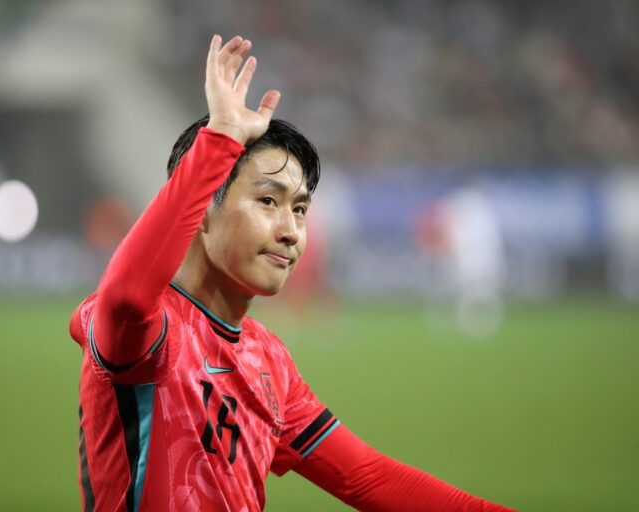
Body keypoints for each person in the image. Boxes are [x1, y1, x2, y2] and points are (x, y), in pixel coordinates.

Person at [69, 34, 516, 512]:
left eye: (300, 210)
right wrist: (220, 139)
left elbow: (367, 476)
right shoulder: (149, 335)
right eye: (268, 201)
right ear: (201, 211)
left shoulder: (268, 360)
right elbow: (126, 297)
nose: (291, 231)